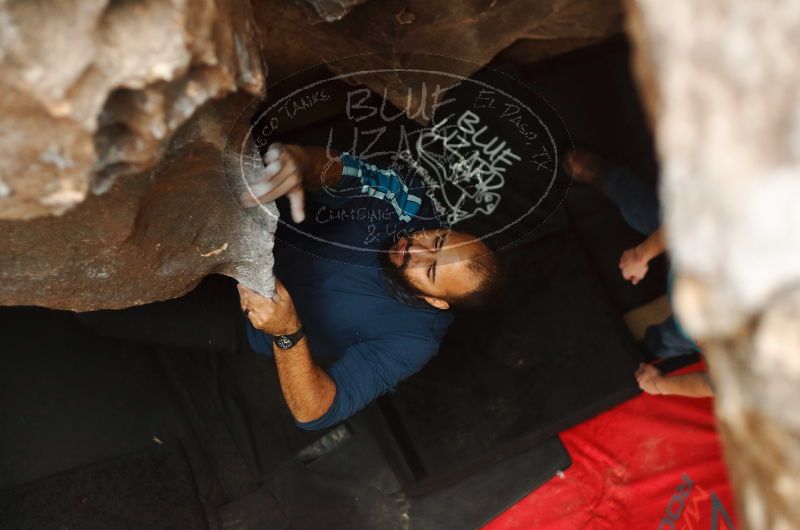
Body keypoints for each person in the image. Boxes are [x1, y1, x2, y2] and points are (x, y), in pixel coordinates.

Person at [81, 144, 502, 430]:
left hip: (240, 317)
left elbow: (316, 412)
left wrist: (287, 333)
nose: (417, 250)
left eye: (430, 270)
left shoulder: (414, 340)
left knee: (98, 313)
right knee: (104, 235)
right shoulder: (408, 203)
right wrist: (299, 161)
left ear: (435, 301)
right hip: (237, 231)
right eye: (439, 240)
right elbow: (339, 169)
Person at [563, 149, 712, 398]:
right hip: (697, 249)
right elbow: (693, 227)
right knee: (645, 211)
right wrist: (642, 254)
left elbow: (711, 385)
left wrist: (659, 385)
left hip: (687, 322)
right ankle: (605, 176)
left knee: (666, 342)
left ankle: (644, 350)